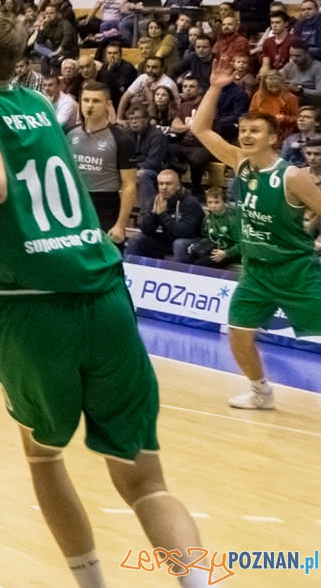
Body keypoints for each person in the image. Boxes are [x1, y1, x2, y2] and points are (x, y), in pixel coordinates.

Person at [0, 14, 212, 588]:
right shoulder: (39, 106)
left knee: (44, 457)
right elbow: (14, 173)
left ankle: (91, 583)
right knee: (147, 482)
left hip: (36, 303)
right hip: (105, 294)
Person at [191, 65, 321, 410]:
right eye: (243, 130)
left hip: (296, 270)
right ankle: (261, 391)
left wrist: (315, 237)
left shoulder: (291, 176)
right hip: (256, 271)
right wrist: (216, 87)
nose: (245, 136)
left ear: (273, 138)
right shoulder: (240, 163)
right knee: (238, 334)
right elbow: (200, 128)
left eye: (254, 131)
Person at [67, 80, 137, 246]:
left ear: (108, 104)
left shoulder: (121, 139)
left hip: (105, 206)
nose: (90, 105)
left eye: (96, 101)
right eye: (86, 100)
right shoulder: (70, 133)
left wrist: (120, 225)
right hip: (73, 203)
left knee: (106, 260)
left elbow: (129, 185)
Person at [128, 169, 203, 260]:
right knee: (136, 239)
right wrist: (153, 214)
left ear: (178, 185)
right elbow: (146, 230)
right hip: (169, 239)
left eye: (168, 184)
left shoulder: (190, 202)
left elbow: (186, 232)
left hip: (193, 240)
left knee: (179, 244)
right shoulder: (156, 200)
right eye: (161, 184)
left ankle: (178, 273)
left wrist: (163, 214)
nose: (164, 187)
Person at [174, 184, 240, 267]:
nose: (213, 206)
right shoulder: (208, 218)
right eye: (210, 202)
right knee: (187, 257)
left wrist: (226, 253)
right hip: (213, 249)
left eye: (217, 202)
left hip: (229, 253)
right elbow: (205, 236)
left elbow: (243, 244)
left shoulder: (232, 220)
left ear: (224, 202)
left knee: (202, 263)